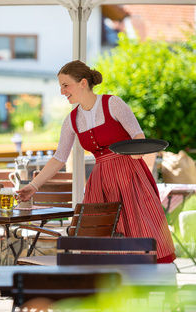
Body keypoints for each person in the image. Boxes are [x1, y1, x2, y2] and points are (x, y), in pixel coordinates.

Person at [17, 60, 175, 263]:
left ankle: (146, 282)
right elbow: (59, 158)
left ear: (83, 83)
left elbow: (137, 135)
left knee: (138, 228)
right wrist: (33, 185)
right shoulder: (72, 119)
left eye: (66, 85)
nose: (62, 91)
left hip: (129, 174)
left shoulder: (113, 104)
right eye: (61, 87)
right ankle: (104, 286)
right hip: (101, 182)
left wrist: (137, 152)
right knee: (98, 234)